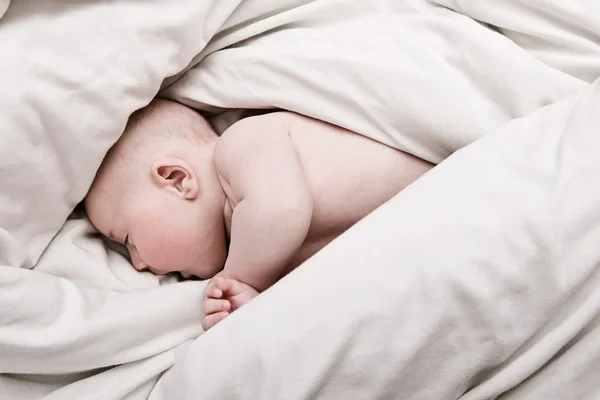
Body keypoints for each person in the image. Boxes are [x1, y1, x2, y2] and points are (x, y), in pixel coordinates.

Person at [85, 99, 433, 331]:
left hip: (444, 179)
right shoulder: (253, 246)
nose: (137, 265)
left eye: (127, 240)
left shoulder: (241, 145)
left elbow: (281, 210)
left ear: (177, 180)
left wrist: (240, 281)